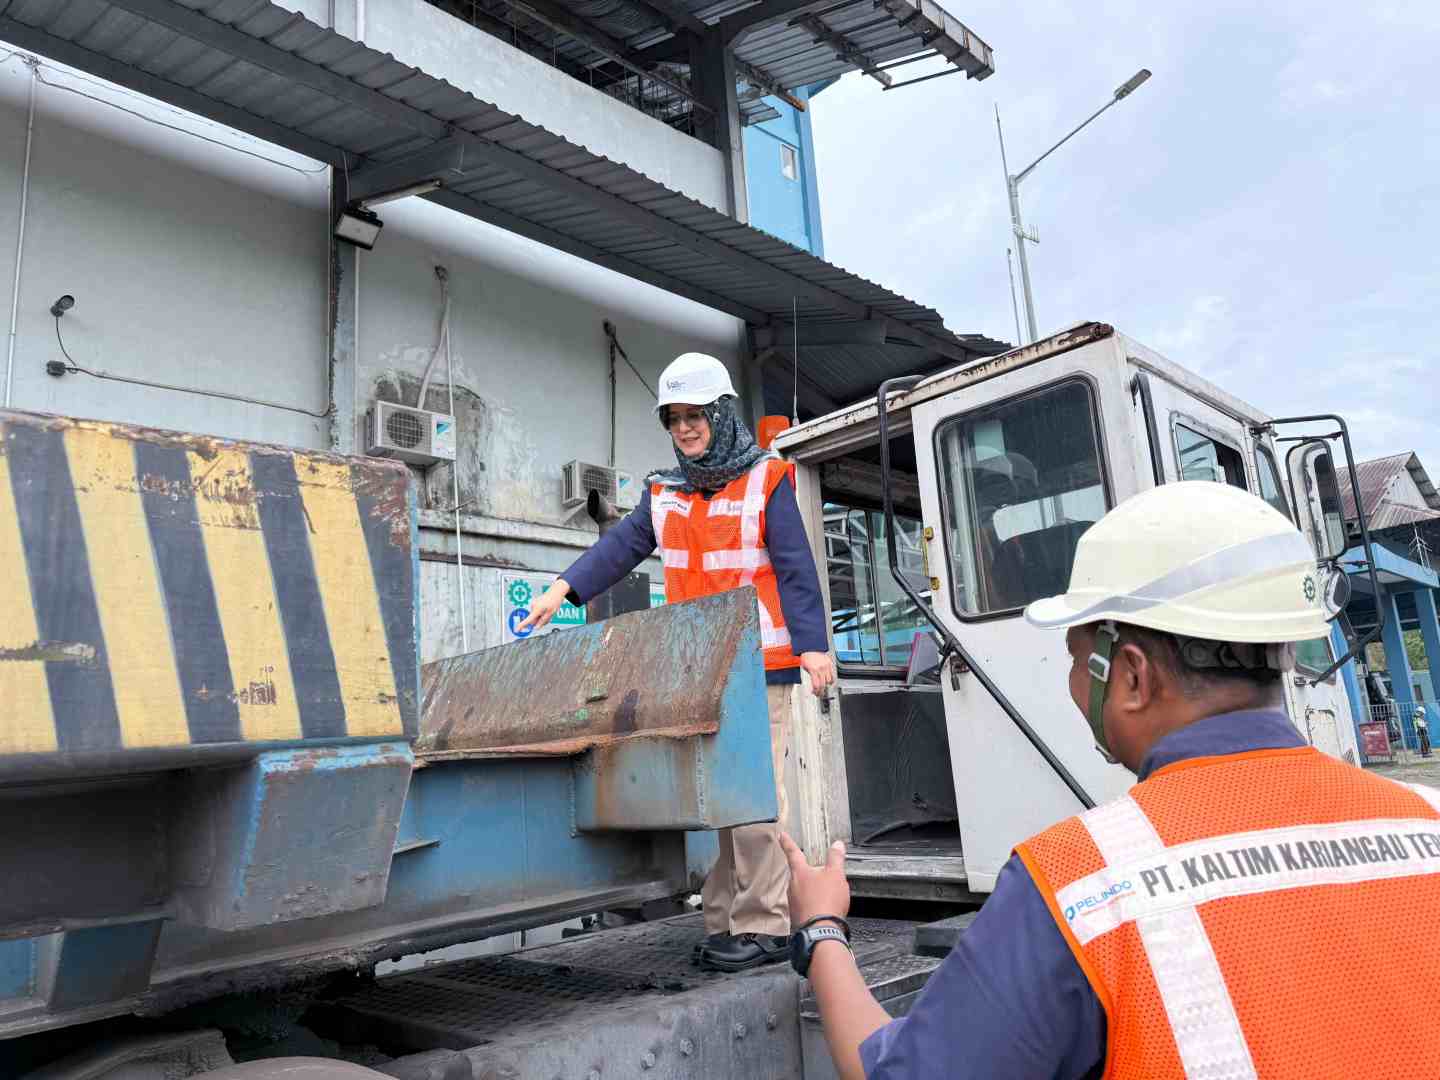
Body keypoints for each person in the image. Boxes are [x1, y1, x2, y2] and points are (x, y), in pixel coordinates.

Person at [781, 481, 1440, 1079]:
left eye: (1075, 658)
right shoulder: (1426, 818)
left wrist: (823, 931)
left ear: (1129, 676)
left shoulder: (1080, 883)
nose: (1072, 684)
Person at [518, 351, 834, 972]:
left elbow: (797, 568)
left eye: (696, 415)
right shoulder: (664, 492)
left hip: (762, 665)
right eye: (673, 418)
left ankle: (766, 925)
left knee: (755, 803)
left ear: (721, 413)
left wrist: (814, 646)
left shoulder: (766, 480)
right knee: (724, 801)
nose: (685, 428)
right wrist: (562, 589)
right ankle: (726, 920)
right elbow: (621, 548)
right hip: (701, 670)